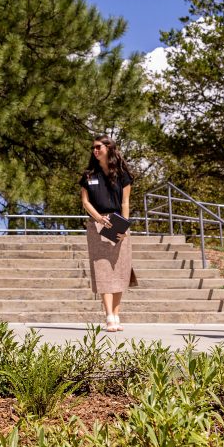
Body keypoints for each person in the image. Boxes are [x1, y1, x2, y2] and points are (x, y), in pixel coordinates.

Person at [79, 135, 133, 332]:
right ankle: (108, 315)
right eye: (93, 147)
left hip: (118, 223)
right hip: (97, 224)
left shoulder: (122, 174)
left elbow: (125, 201)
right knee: (102, 270)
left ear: (108, 148)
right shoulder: (88, 175)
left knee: (119, 270)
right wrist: (98, 218)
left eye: (98, 147)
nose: (95, 150)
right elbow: (85, 202)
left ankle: (117, 314)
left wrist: (124, 226)